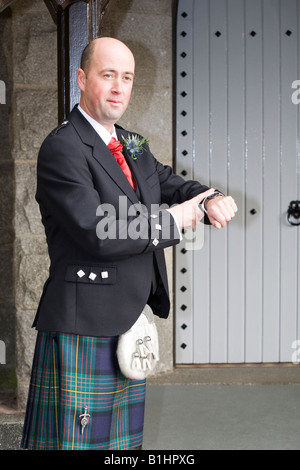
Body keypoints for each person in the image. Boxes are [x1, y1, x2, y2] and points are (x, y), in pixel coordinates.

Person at [21, 37, 237, 450]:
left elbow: (171, 183)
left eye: (127, 77)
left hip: (126, 317)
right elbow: (97, 230)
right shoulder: (62, 147)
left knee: (120, 449)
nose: (119, 87)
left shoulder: (132, 143)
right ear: (82, 79)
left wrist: (208, 198)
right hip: (82, 324)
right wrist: (176, 219)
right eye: (108, 75)